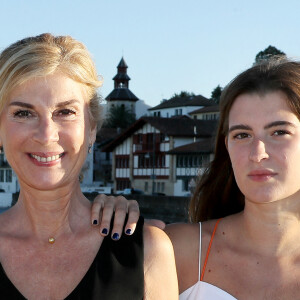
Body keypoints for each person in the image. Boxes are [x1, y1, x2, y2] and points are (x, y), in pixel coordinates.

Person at [96, 58, 300, 299]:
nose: (257, 154)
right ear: (227, 146)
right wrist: (103, 220)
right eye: (242, 135)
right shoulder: (174, 250)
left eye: (279, 132)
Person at [0, 33, 178, 299]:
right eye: (24, 113)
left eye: (65, 112)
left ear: (92, 128)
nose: (46, 134)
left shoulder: (148, 251)